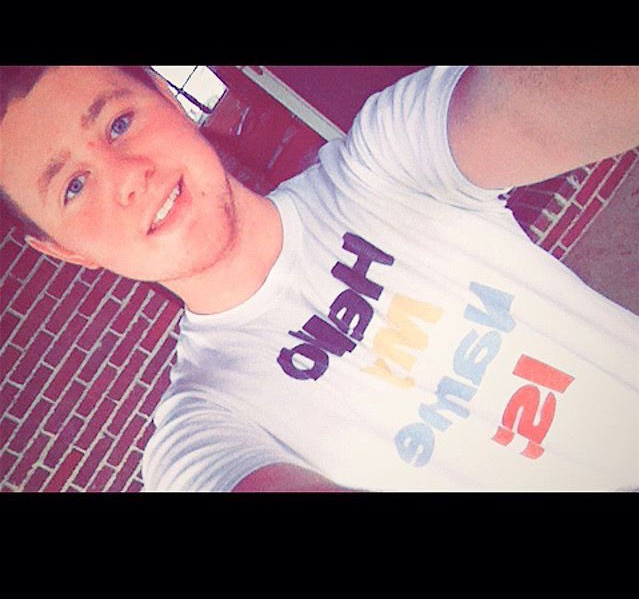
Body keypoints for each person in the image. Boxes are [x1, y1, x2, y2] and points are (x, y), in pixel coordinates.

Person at [1, 65, 637, 492]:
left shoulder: (390, 159)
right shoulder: (200, 437)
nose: (126, 176)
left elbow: (544, 105)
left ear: (171, 103)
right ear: (65, 251)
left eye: (118, 123)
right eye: (74, 186)